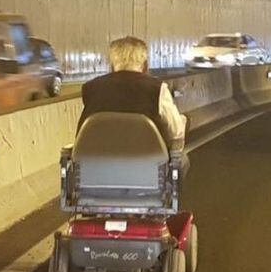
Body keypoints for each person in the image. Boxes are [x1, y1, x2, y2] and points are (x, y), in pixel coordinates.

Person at [78, 36, 189, 172]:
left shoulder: (90, 88)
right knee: (182, 161)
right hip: (148, 166)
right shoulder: (157, 88)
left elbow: (83, 131)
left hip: (99, 166)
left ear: (112, 65)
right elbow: (176, 132)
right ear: (145, 65)